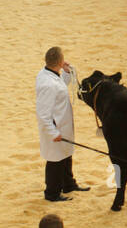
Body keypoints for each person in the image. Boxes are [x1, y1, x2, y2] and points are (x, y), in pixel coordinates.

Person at [36, 46, 88, 202]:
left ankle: (68, 184)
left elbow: (61, 87)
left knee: (66, 155)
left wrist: (65, 72)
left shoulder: (48, 73)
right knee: (55, 160)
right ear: (59, 61)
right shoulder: (47, 84)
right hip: (56, 126)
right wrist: (53, 133)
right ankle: (51, 193)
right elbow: (43, 114)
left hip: (62, 122)